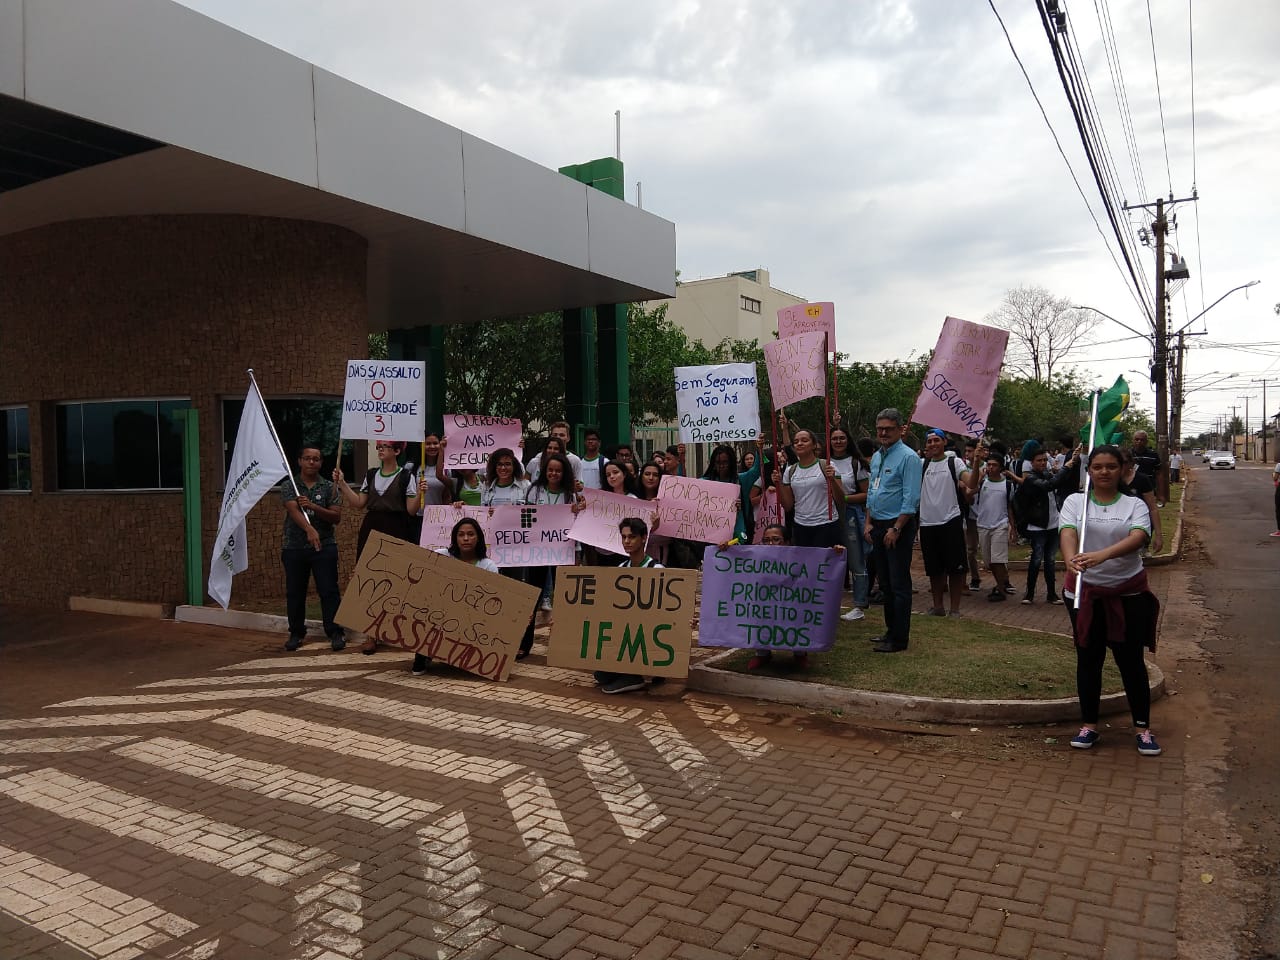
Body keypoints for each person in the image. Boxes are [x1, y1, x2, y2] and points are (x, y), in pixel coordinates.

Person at [1059, 444, 1162, 756]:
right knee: (1089, 659)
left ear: (1122, 470)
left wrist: (1100, 556)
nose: (1104, 472)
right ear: (1089, 471)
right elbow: (1067, 532)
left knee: (1130, 661)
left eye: (1111, 466)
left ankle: (1143, 728)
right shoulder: (1076, 501)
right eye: (1098, 466)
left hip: (1127, 593)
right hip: (1083, 593)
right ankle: (1089, 725)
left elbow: (1138, 537)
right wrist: (1070, 561)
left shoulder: (1134, 505)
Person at [334, 440, 418, 655]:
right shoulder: (371, 475)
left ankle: (396, 630)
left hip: (397, 528)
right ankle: (372, 634)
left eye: (385, 447)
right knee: (370, 580)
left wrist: (420, 494)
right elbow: (359, 503)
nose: (380, 450)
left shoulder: (407, 476)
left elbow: (410, 510)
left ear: (397, 451)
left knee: (398, 580)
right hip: (371, 528)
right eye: (379, 447)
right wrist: (343, 484)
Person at [864, 409, 922, 653]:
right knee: (885, 584)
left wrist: (897, 528)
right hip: (876, 525)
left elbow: (911, 498)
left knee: (899, 584)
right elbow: (872, 491)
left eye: (889, 428)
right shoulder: (877, 456)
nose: (884, 433)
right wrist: (868, 521)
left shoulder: (908, 457)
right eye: (880, 428)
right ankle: (890, 630)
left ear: (900, 430)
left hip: (897, 526)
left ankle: (899, 639)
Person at [412, 517, 501, 675]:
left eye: (470, 534)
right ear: (455, 538)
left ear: (478, 538)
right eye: (461, 535)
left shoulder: (488, 566)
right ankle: (422, 653)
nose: (466, 538)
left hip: (471, 617)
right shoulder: (441, 556)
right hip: (440, 611)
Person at [281, 445, 345, 652]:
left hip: (324, 547)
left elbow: (336, 516)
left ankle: (335, 631)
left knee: (329, 591)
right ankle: (296, 632)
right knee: (295, 592)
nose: (311, 462)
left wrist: (313, 507)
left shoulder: (329, 487)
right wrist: (309, 529)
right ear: (299, 461)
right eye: (307, 458)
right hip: (294, 548)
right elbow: (292, 509)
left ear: (320, 463)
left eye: (315, 459)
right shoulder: (290, 485)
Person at [594, 516, 663, 694]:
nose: (627, 541)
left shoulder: (657, 571)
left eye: (631, 537)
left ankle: (635, 675)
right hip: (623, 634)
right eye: (624, 537)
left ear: (644, 538)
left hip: (644, 635)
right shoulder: (620, 569)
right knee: (600, 675)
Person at [918, 429, 981, 616]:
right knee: (934, 569)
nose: (933, 444)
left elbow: (970, 483)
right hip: (928, 522)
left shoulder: (954, 462)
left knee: (955, 568)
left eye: (937, 440)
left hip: (950, 520)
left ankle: (955, 609)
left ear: (944, 442)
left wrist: (976, 464)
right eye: (929, 441)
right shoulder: (922, 464)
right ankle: (938, 606)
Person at [1009, 445, 1082, 604]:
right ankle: (1029, 594)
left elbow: (1059, 480)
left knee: (1050, 560)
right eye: (1039, 461)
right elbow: (1049, 485)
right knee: (1036, 559)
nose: (1042, 463)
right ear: (1032, 463)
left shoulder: (1048, 474)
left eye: (1044, 460)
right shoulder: (1031, 479)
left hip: (1054, 524)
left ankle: (1051, 594)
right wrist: (1067, 466)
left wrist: (1072, 461)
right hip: (1037, 525)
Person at [775, 428, 845, 548]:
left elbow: (841, 500)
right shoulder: (790, 471)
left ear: (814, 445)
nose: (799, 443)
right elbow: (787, 506)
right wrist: (778, 483)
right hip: (800, 527)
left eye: (804, 440)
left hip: (826, 525)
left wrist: (832, 479)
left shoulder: (827, 466)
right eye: (796, 442)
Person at [828, 424, 869, 621]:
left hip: (850, 514)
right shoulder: (823, 462)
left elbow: (866, 493)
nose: (838, 442)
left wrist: (844, 499)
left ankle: (860, 605)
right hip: (826, 514)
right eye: (834, 438)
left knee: (855, 559)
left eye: (842, 438)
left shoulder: (855, 463)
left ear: (848, 440)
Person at [967, 453, 1017, 602]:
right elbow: (969, 493)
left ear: (1001, 467)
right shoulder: (983, 483)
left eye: (994, 465)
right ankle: (1000, 583)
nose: (990, 468)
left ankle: (1001, 588)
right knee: (989, 562)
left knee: (998, 560)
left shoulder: (1007, 485)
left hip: (1000, 525)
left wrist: (1012, 527)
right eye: (988, 465)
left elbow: (1009, 507)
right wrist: (980, 478)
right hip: (983, 524)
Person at [701, 441, 763, 542]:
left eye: (725, 462)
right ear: (713, 463)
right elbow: (686, 490)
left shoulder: (741, 480)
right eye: (718, 462)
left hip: (737, 535)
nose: (721, 466)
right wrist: (681, 461)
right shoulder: (705, 483)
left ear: (731, 462)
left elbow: (757, 470)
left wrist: (759, 449)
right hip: (712, 534)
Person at [1120, 449, 1164, 555]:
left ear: (1131, 463)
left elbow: (1153, 508)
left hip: (1139, 524)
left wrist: (1158, 535)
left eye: (1124, 462)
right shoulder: (1111, 481)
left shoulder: (1141, 479)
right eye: (1117, 462)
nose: (1121, 465)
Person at [961, 439, 983, 592]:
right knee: (970, 550)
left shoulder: (988, 468)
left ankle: (1003, 580)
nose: (968, 454)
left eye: (971, 451)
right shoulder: (962, 469)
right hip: (970, 514)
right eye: (966, 451)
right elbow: (968, 493)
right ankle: (974, 577)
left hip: (986, 514)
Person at [1131, 431, 1163, 504]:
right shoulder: (1128, 454)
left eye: (1142, 440)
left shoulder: (1153, 455)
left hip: (1149, 489)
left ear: (1146, 441)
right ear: (1133, 440)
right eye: (1137, 439)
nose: (1139, 442)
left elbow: (1159, 474)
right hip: (1131, 490)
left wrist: (1160, 494)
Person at [1271, 459, 1280, 537]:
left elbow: (1275, 478)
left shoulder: (1279, 465)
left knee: (1279, 509)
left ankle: (1279, 531)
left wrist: (1273, 474)